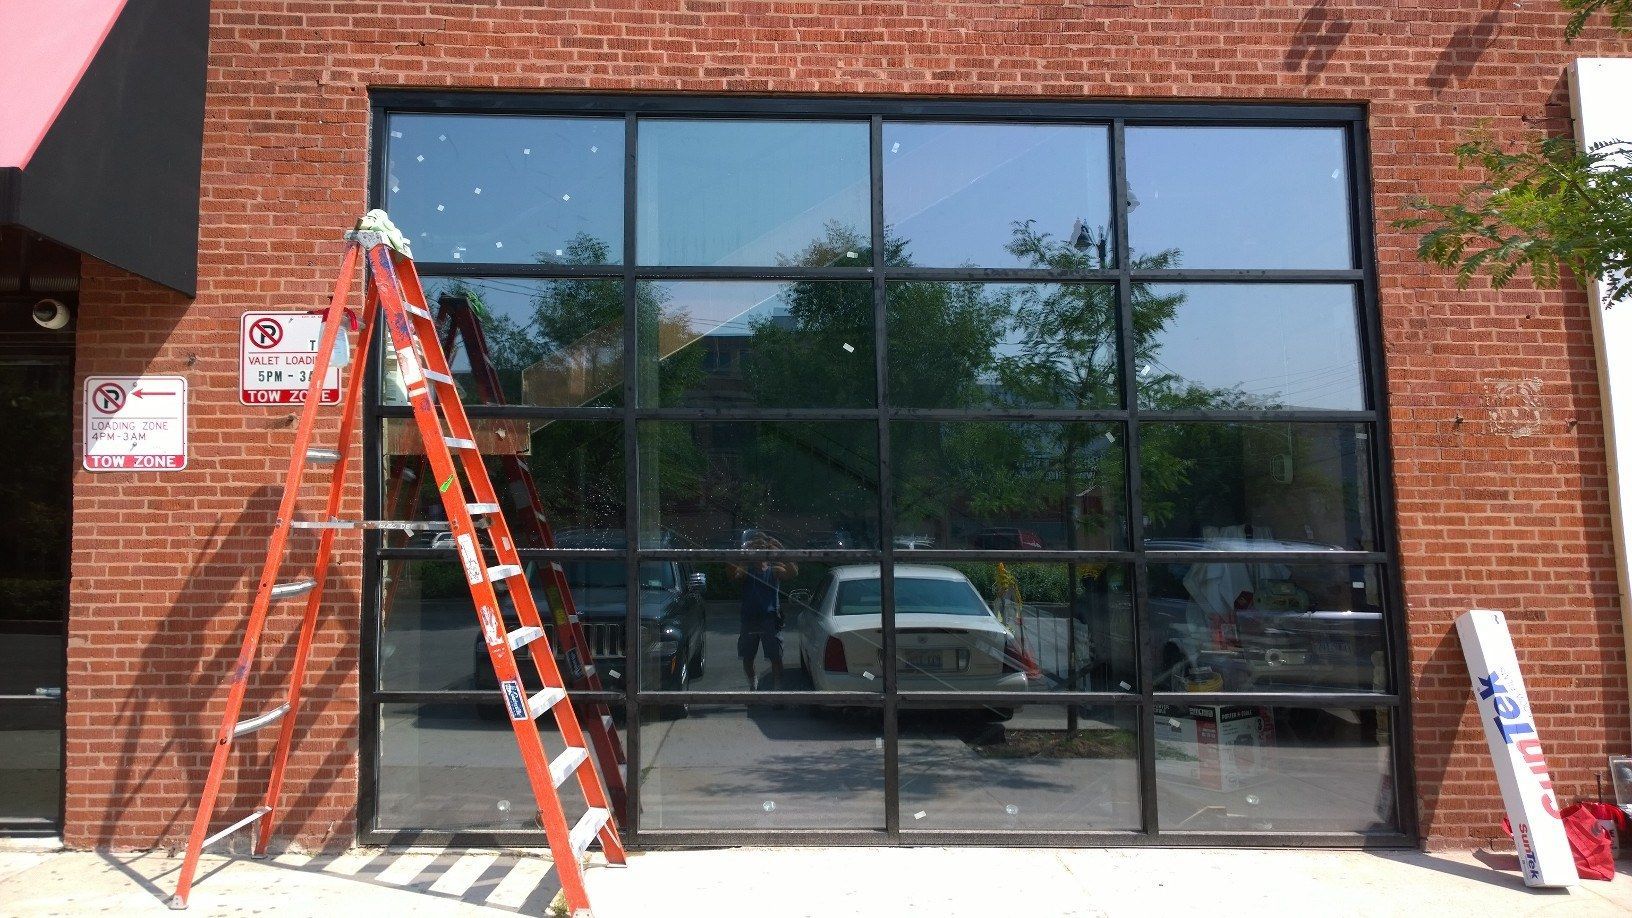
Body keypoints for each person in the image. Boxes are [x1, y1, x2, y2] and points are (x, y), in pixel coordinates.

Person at [731, 533, 798, 690]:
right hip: (749, 619)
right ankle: (753, 685)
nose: (759, 551)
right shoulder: (746, 570)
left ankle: (777, 688)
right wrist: (744, 552)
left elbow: (793, 572)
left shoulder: (774, 570)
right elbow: (734, 574)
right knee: (748, 657)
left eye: (762, 548)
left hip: (770, 619)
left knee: (776, 657)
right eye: (756, 548)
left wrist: (780, 549)